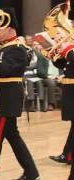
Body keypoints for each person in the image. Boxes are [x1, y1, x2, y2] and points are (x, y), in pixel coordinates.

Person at [0, 8, 40, 180]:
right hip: (0, 98)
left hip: (7, 101)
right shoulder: (3, 47)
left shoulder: (17, 48)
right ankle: (32, 173)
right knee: (13, 138)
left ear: (10, 28)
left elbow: (4, 70)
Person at [49, 38, 74, 175]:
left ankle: (68, 155)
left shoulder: (71, 48)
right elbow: (65, 65)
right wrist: (54, 55)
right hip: (70, 89)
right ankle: (68, 154)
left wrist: (68, 49)